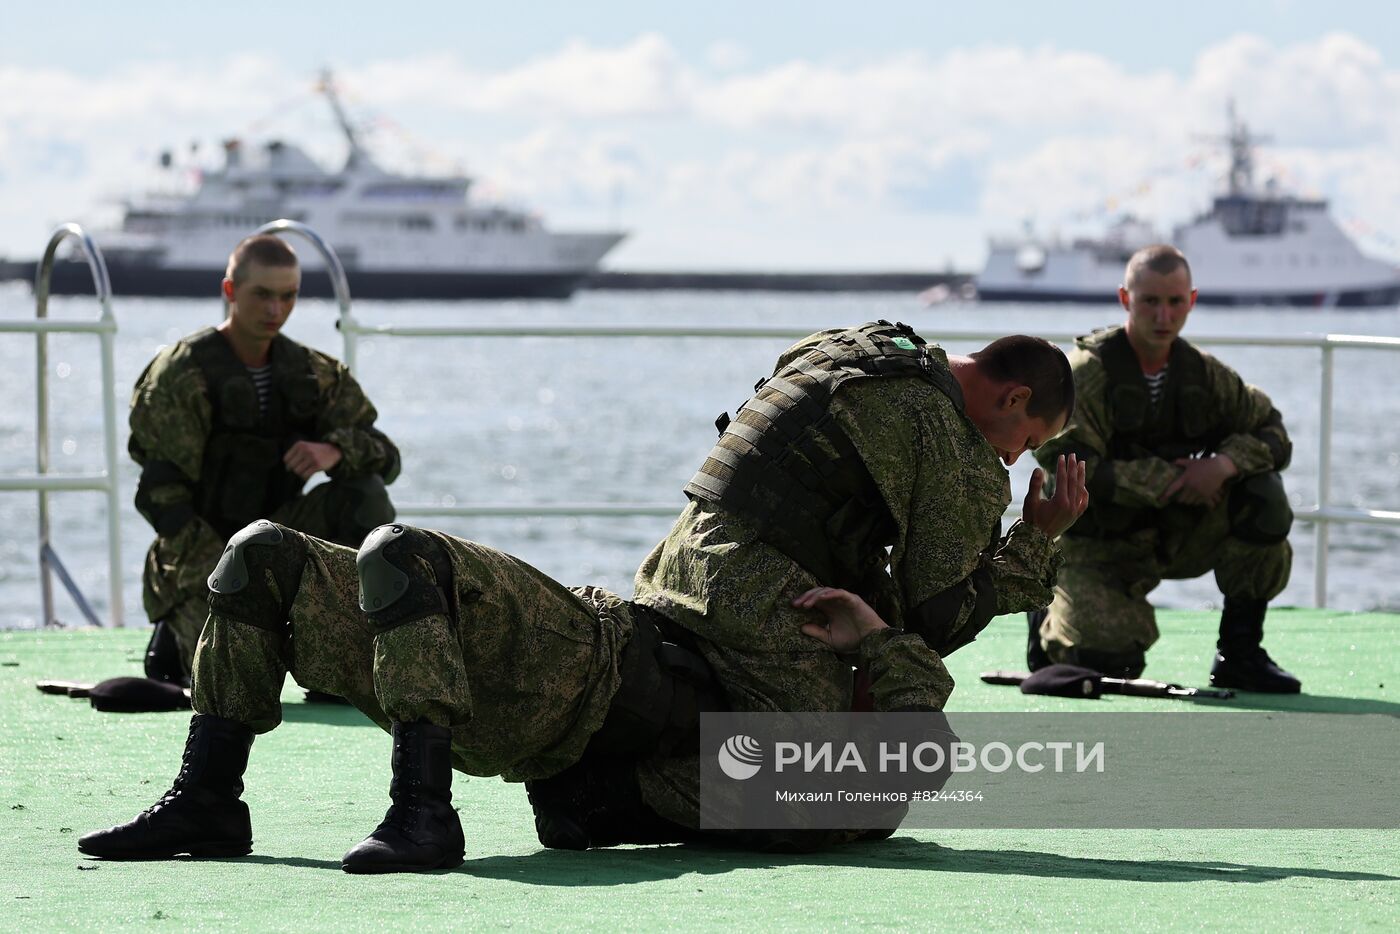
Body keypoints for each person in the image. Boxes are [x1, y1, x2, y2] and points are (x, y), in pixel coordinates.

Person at [79, 321, 1086, 872]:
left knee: (290, 553)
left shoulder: (850, 351)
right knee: (317, 554)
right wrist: (1030, 546)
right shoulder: (949, 442)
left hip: (650, 614)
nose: (1013, 455)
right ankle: (293, 807)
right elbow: (938, 618)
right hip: (694, 643)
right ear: (1005, 398)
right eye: (1023, 439)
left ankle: (307, 805)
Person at [129, 234, 400, 686]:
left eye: (288, 296)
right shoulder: (182, 374)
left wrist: (334, 450)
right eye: (262, 295)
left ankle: (343, 647)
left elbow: (386, 457)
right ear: (231, 292)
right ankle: (177, 633)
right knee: (227, 681)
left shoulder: (311, 373)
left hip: (279, 537)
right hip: (200, 548)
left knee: (364, 496)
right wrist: (228, 579)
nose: (276, 310)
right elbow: (161, 497)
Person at [1028, 245, 1299, 692]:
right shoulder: (1086, 374)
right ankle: (1047, 614)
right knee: (1108, 660)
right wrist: (1178, 479)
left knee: (1264, 497)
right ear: (1125, 299)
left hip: (1176, 534)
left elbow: (1273, 434)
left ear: (1191, 301)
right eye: (1150, 301)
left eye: (1175, 302)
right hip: (1099, 546)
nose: (1163, 314)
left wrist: (1222, 466)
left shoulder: (1203, 375)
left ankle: (1240, 653)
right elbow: (1069, 464)